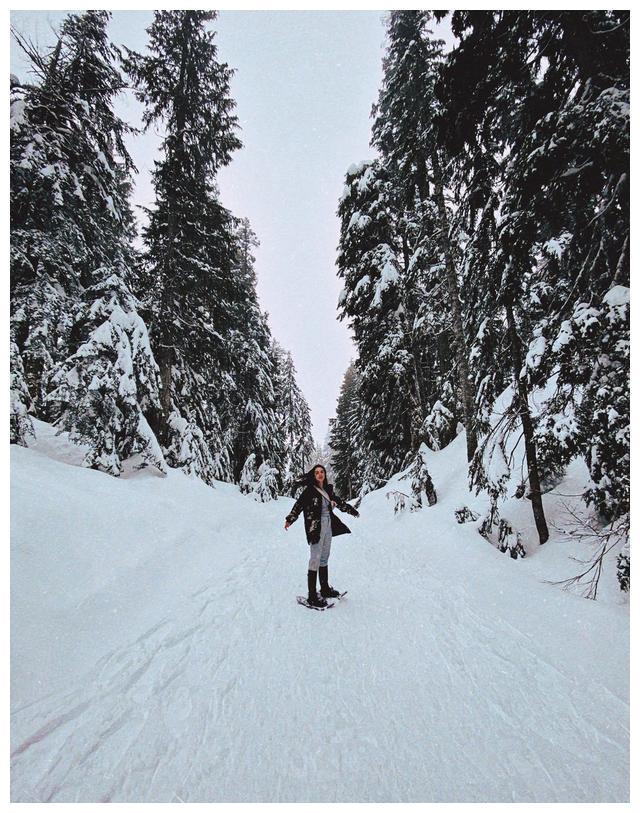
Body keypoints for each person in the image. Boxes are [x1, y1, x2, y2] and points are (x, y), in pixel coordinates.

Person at [284, 463, 359, 607]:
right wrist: (290, 519)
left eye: (322, 472)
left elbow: (340, 503)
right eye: (317, 472)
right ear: (313, 475)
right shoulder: (309, 491)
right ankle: (312, 595)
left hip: (328, 525)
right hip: (316, 527)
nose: (320, 474)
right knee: (315, 559)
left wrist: (352, 511)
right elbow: (298, 506)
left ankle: (324, 589)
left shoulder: (328, 490)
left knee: (324, 557)